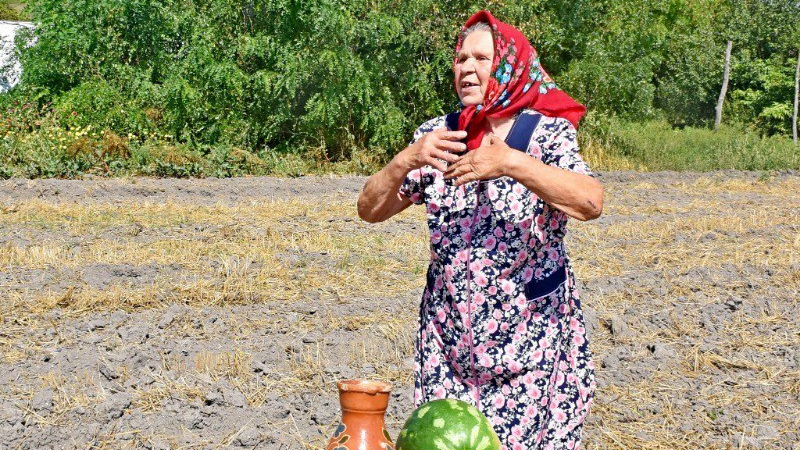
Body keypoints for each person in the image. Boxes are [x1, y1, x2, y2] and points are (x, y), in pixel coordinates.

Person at [357, 10, 602, 450]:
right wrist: (406, 160)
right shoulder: (438, 136)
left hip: (531, 353)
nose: (466, 68)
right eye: (460, 58)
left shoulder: (545, 134)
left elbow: (589, 201)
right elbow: (369, 209)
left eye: (481, 58)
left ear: (507, 66)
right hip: (448, 349)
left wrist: (510, 162)